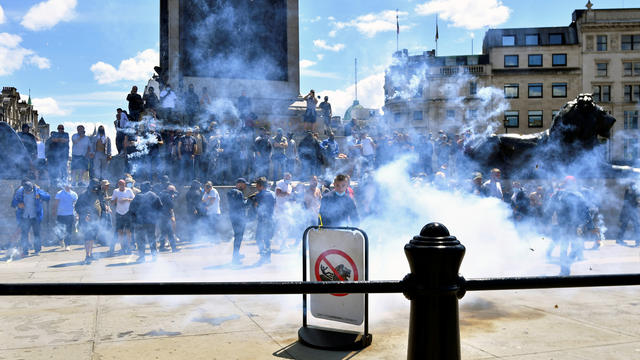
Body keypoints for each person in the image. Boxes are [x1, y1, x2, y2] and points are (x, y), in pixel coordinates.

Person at [546, 176, 593, 275]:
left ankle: (564, 268)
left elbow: (549, 210)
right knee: (576, 247)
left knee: (564, 247)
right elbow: (586, 212)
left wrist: (544, 221)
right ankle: (566, 265)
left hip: (564, 225)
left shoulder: (558, 194)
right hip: (574, 226)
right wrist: (590, 226)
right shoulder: (578, 195)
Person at [11, 181, 50, 257]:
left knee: (37, 234)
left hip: (35, 217)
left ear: (32, 188)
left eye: (29, 190)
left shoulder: (37, 191)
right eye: (26, 190)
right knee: (24, 235)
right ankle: (25, 251)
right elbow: (13, 203)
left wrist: (40, 193)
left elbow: (48, 197)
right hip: (25, 217)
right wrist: (18, 204)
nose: (28, 192)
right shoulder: (20, 192)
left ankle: (37, 250)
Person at [129, 181, 163, 262]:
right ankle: (154, 256)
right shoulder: (154, 195)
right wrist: (156, 217)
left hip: (140, 222)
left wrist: (134, 220)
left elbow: (131, 210)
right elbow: (160, 208)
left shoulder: (137, 197)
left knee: (140, 239)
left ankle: (142, 257)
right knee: (152, 238)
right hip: (151, 221)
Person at [76, 179, 103, 264]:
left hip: (95, 219)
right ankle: (87, 255)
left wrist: (105, 207)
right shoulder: (83, 195)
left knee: (92, 238)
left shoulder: (97, 193)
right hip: (86, 220)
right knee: (88, 238)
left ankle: (90, 254)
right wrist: (85, 215)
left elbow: (101, 202)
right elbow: (77, 207)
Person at [252, 177, 275, 264]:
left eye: (257, 185)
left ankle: (263, 254)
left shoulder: (259, 195)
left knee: (258, 238)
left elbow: (256, 206)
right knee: (267, 239)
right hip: (271, 219)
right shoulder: (272, 193)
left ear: (260, 186)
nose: (256, 187)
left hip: (263, 220)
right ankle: (268, 257)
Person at [227, 178, 249, 264]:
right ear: (239, 184)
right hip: (239, 218)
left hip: (234, 217)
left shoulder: (232, 192)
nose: (245, 186)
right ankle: (235, 258)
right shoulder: (238, 193)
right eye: (244, 184)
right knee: (238, 237)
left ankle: (236, 255)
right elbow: (242, 205)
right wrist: (249, 200)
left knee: (237, 237)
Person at [111, 179, 135, 254]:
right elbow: (112, 202)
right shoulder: (115, 191)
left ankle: (129, 247)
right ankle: (122, 248)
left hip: (127, 212)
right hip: (119, 213)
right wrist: (116, 199)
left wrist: (126, 199)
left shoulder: (129, 190)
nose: (122, 186)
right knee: (120, 231)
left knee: (128, 231)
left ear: (125, 185)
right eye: (121, 185)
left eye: (123, 185)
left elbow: (134, 200)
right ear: (118, 185)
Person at [53, 182, 78, 251]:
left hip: (70, 214)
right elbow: (56, 203)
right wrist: (54, 211)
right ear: (64, 186)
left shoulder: (74, 194)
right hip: (60, 214)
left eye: (69, 185)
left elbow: (76, 205)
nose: (68, 186)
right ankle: (61, 240)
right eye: (66, 185)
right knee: (59, 230)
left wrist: (76, 215)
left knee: (68, 231)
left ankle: (67, 245)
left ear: (70, 185)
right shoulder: (59, 193)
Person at [158, 184, 179, 252]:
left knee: (163, 233)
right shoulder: (167, 196)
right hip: (165, 216)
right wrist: (171, 216)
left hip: (161, 216)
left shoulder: (162, 194)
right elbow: (171, 206)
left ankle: (161, 247)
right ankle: (174, 248)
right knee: (170, 233)